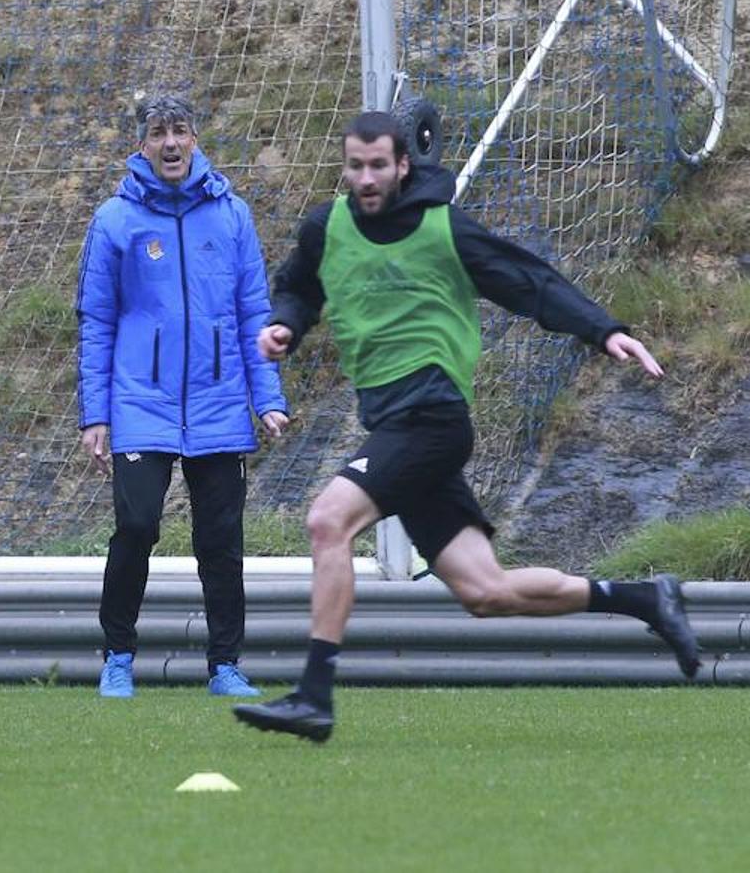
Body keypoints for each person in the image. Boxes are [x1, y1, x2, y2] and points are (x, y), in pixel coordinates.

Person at [233, 111, 700, 742]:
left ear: (403, 166)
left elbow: (529, 281)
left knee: (326, 521)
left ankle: (314, 695)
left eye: (378, 166)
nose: (366, 179)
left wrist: (604, 329)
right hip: (396, 425)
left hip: (430, 421)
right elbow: (299, 289)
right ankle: (647, 600)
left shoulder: (443, 230)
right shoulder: (326, 227)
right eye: (355, 166)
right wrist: (285, 324)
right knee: (487, 593)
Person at [76, 94, 290, 699]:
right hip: (140, 403)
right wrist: (96, 414)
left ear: (196, 138)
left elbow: (254, 312)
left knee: (220, 540)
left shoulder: (232, 216)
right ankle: (118, 655)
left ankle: (225, 666)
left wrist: (266, 397)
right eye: (158, 133)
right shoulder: (115, 220)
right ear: (141, 145)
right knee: (137, 525)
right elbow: (96, 321)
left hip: (220, 404)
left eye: (180, 131)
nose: (170, 143)